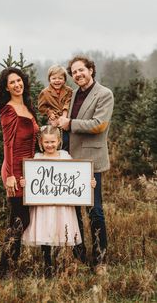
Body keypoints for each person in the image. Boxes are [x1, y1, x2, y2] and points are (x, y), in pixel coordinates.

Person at [58, 56, 114, 275]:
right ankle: (79, 257)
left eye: (81, 70)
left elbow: (99, 125)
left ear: (91, 70)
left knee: (95, 211)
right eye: (74, 72)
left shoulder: (104, 94)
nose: (78, 74)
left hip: (91, 163)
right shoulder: (72, 96)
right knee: (74, 212)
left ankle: (100, 260)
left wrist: (69, 124)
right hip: (71, 161)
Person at [21, 125, 96, 277]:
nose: (50, 145)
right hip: (43, 206)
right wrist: (25, 183)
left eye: (53, 142)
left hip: (62, 205)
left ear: (59, 141)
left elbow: (75, 176)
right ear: (41, 143)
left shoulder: (65, 157)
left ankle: (59, 263)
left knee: (61, 230)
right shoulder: (37, 159)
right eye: (46, 142)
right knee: (45, 231)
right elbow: (31, 178)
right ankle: (48, 266)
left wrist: (89, 183)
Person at [0, 67, 39, 278]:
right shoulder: (8, 110)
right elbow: (8, 144)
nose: (17, 84)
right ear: (6, 87)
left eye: (19, 80)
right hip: (14, 169)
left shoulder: (27, 106)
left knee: (22, 219)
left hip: (28, 169)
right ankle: (4, 270)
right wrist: (12, 175)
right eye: (12, 82)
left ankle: (10, 266)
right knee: (19, 219)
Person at [38, 65, 73, 150]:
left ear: (64, 80)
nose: (57, 81)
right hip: (53, 121)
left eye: (60, 78)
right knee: (54, 141)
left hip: (66, 120)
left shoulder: (69, 91)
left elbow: (68, 103)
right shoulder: (45, 92)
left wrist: (64, 116)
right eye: (54, 78)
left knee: (67, 141)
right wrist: (50, 113)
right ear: (49, 79)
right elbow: (41, 107)